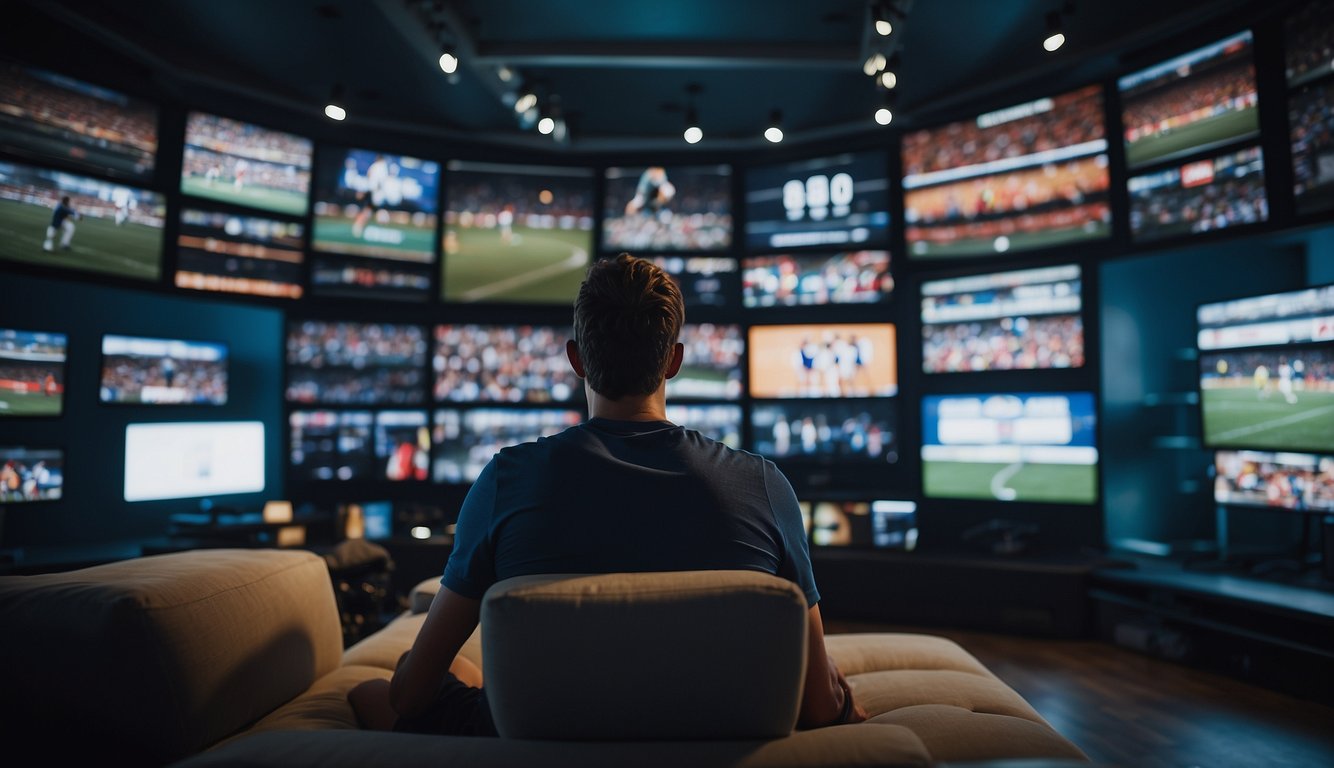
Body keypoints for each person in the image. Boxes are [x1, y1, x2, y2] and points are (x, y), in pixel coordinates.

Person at [348, 253, 866, 735]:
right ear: (674, 360)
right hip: (714, 734)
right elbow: (818, 708)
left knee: (376, 686)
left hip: (538, 736)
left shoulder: (507, 481)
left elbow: (411, 697)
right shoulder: (764, 486)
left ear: (576, 358)